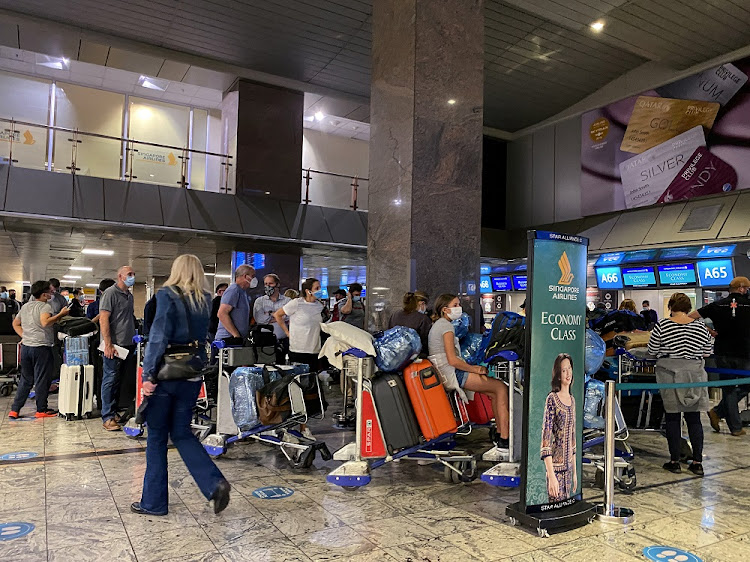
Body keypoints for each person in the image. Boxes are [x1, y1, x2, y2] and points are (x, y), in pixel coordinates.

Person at [132, 254, 230, 517]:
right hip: (192, 373)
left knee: (156, 437)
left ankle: (153, 503)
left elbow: (158, 336)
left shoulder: (167, 295)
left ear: (176, 271)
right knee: (182, 432)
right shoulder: (205, 299)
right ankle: (213, 483)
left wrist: (148, 376)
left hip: (165, 374)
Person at [428, 294, 510, 450]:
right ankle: (504, 439)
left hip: (445, 372)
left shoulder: (438, 325)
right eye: (456, 305)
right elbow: (452, 360)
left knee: (494, 393)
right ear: (445, 309)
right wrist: (476, 369)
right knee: (501, 388)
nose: (459, 308)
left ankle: (500, 434)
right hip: (453, 373)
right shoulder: (446, 327)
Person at [648, 292, 713, 476]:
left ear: (671, 307)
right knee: (694, 419)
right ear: (688, 307)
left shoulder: (663, 325)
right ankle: (697, 462)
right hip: (695, 375)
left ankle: (674, 461)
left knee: (673, 418)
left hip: (669, 375)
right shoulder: (700, 327)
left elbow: (652, 350)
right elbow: (708, 351)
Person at [690, 276, 750, 437]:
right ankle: (733, 426)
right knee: (745, 386)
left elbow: (691, 317)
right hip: (745, 351)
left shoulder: (717, 305)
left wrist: (710, 331)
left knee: (729, 389)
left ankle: (718, 412)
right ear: (742, 289)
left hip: (723, 351)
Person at [8, 280, 70, 419]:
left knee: (26, 379)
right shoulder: (45, 307)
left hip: (26, 347)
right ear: (44, 294)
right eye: (50, 292)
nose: (52, 294)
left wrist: (25, 335)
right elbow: (45, 322)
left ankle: (15, 409)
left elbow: (15, 323)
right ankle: (41, 409)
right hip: (41, 347)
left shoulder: (25, 307)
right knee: (42, 379)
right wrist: (61, 314)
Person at [273, 278, 324, 440]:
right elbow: (278, 315)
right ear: (308, 290)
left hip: (314, 351)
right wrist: (288, 333)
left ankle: (304, 426)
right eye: (317, 288)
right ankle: (292, 424)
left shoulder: (319, 306)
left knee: (309, 390)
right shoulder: (296, 304)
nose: (319, 290)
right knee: (297, 389)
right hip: (298, 351)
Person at [99, 266, 138, 431]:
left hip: (128, 344)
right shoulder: (110, 293)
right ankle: (107, 417)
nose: (132, 276)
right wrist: (108, 344)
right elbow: (104, 319)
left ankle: (113, 412)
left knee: (119, 380)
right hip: (114, 346)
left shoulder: (129, 296)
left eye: (133, 274)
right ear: (120, 276)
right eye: (129, 274)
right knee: (110, 379)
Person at [541, 353, 577, 503]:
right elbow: (545, 441)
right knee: (555, 506)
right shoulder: (552, 399)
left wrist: (574, 473)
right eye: (563, 370)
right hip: (555, 468)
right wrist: (551, 476)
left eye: (569, 369)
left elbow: (573, 440)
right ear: (558, 374)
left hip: (568, 469)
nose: (568, 373)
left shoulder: (572, 400)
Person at [253, 274, 291, 364]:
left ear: (277, 284)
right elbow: (260, 320)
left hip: (282, 341)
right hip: (265, 343)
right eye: (266, 284)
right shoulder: (260, 301)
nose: (268, 286)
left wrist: (268, 314)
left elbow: (289, 317)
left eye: (271, 283)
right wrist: (279, 316)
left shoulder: (287, 301)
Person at [216, 265, 257, 345]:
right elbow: (222, 313)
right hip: (228, 339)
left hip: (237, 340)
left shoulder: (243, 292)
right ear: (245, 276)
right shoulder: (233, 290)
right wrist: (236, 335)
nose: (254, 279)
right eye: (252, 276)